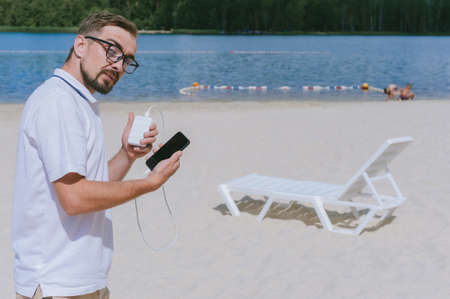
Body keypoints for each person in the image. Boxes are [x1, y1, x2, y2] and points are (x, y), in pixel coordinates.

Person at [12, 12, 182, 299]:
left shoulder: (78, 100)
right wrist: (149, 184)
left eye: (127, 59)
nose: (118, 65)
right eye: (111, 50)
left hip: (82, 280)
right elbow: (75, 198)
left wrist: (127, 155)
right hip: (58, 284)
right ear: (81, 45)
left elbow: (91, 185)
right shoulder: (58, 102)